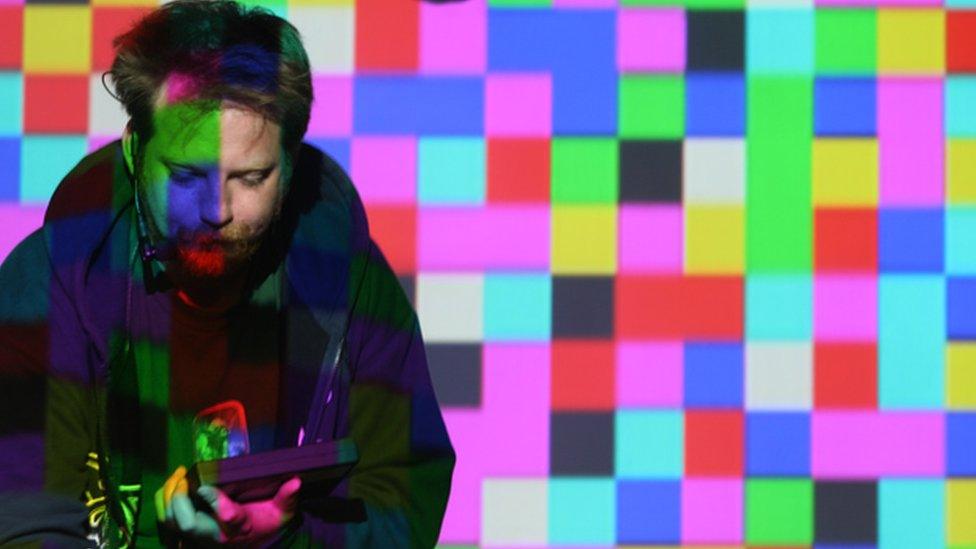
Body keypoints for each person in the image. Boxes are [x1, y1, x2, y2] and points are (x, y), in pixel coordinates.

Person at [0, 0, 456, 546]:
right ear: (134, 151)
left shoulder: (343, 271)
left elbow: (406, 493)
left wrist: (282, 539)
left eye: (252, 176)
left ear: (289, 167)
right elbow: (26, 525)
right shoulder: (50, 281)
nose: (216, 209)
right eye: (187, 174)